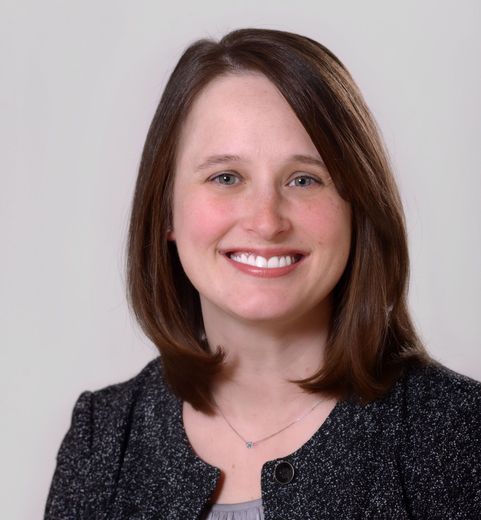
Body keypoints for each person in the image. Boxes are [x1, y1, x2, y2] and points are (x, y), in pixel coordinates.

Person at [44, 28, 481, 519]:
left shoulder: (459, 434)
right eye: (225, 177)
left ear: (357, 207)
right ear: (166, 209)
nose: (266, 221)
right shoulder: (101, 439)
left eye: (304, 179)